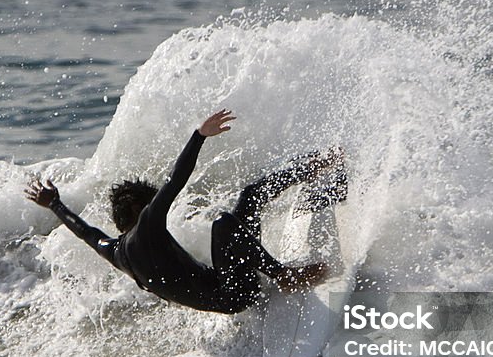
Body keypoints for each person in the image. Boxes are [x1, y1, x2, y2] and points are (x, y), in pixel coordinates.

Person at [25, 110, 344, 314]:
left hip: (227, 293)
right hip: (236, 294)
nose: (154, 209)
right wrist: (198, 136)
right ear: (140, 209)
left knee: (249, 195)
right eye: (149, 205)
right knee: (224, 223)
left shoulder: (118, 253)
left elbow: (86, 233)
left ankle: (314, 167)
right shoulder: (146, 227)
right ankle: (284, 276)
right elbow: (176, 179)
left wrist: (54, 204)